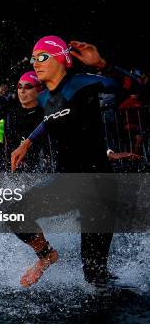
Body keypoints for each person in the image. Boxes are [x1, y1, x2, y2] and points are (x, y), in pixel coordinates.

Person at [9, 36, 142, 287]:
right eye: (33, 58)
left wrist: (103, 64)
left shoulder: (82, 84)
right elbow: (52, 119)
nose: (36, 63)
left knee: (94, 277)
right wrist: (27, 142)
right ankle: (46, 255)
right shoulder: (47, 98)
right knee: (15, 213)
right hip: (67, 185)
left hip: (98, 188)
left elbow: (135, 89)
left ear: (61, 58)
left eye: (42, 57)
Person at [0, 72, 48, 172]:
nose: (22, 91)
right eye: (19, 86)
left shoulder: (47, 112)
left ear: (39, 90)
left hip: (38, 169)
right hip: (12, 168)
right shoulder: (10, 109)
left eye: (28, 87)